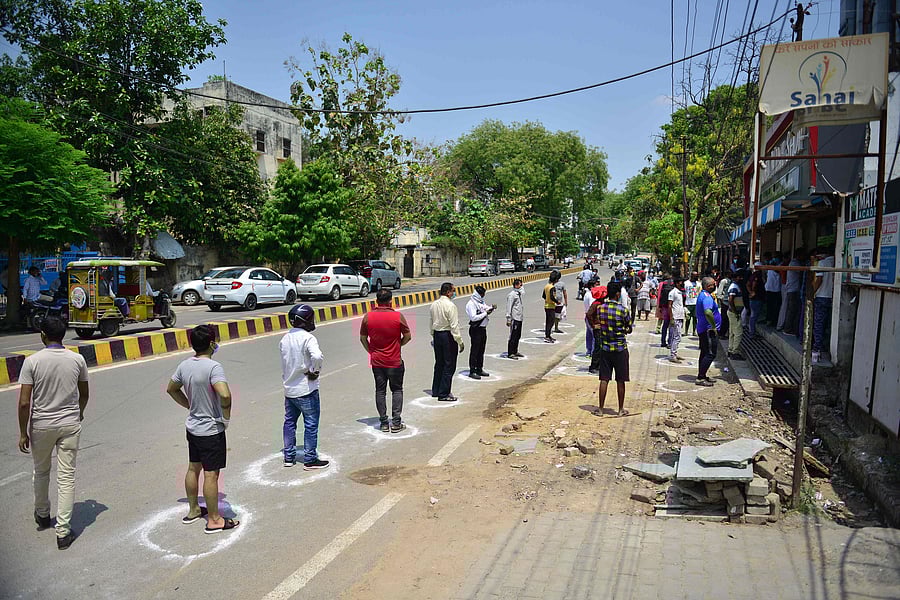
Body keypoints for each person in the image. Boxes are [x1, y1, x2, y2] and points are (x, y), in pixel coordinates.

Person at [17, 316, 89, 550]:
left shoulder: (32, 361)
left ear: (42, 335)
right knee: (66, 477)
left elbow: (25, 403)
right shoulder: (77, 359)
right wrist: (79, 413)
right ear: (64, 335)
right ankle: (63, 532)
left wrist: (22, 432)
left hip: (41, 425)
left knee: (41, 471)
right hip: (69, 423)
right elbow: (84, 394)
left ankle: (42, 513)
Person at [167, 324, 238, 533]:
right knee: (211, 474)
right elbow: (224, 394)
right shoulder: (213, 367)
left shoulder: (185, 365)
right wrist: (226, 417)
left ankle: (193, 509)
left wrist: (189, 404)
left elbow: (171, 389)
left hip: (193, 427)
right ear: (211, 343)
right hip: (210, 429)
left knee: (193, 467)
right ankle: (215, 519)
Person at [279, 305, 329, 470]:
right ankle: (310, 459)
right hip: (306, 389)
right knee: (311, 424)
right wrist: (314, 371)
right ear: (305, 320)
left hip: (289, 390)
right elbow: (317, 356)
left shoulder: (285, 339)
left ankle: (289, 457)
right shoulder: (308, 338)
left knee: (290, 423)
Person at [359, 289, 411, 432]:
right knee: (397, 389)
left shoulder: (368, 317)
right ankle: (396, 422)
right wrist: (398, 344)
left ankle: (383, 422)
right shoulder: (397, 316)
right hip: (394, 361)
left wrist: (371, 351)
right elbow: (408, 336)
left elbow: (363, 339)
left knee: (380, 391)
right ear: (390, 301)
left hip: (377, 361)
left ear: (376, 301)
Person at [588, 281, 633, 416]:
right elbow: (629, 328)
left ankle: (600, 409)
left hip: (605, 348)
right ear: (618, 294)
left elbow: (594, 320)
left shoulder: (600, 308)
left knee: (604, 379)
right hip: (620, 349)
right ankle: (620, 410)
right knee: (621, 380)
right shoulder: (623, 310)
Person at [430, 282, 464, 401]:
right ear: (448, 292)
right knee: (449, 365)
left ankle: (436, 390)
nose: (454, 293)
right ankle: (444, 393)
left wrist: (433, 335)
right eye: (453, 291)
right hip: (447, 336)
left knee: (439, 363)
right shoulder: (450, 306)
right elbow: (454, 326)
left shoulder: (434, 304)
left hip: (437, 335)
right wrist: (459, 341)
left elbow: (431, 322)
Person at [695, 277, 722, 386]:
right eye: (713, 284)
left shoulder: (704, 295)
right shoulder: (706, 297)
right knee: (710, 353)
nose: (714, 286)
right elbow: (707, 312)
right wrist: (713, 326)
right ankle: (701, 378)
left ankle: (702, 375)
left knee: (705, 352)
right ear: (708, 286)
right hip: (708, 330)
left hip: (703, 328)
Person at [465, 284, 495, 379]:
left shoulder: (480, 302)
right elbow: (473, 318)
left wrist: (491, 308)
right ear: (478, 294)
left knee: (481, 350)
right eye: (482, 294)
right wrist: (486, 313)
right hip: (475, 329)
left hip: (482, 329)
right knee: (475, 350)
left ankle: (479, 368)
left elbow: (485, 308)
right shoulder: (471, 304)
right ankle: (472, 370)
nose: (483, 296)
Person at [811, 247, 835, 364]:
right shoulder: (836, 261)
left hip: (821, 296)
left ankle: (816, 351)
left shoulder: (823, 262)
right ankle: (826, 347)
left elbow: (819, 279)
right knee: (829, 324)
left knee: (819, 324)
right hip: (833, 297)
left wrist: (811, 293)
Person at [783, 249, 806, 335]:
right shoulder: (795, 264)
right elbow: (802, 272)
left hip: (793, 289)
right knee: (792, 310)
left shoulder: (794, 263)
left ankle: (790, 328)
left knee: (792, 310)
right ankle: (788, 329)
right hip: (793, 289)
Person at [727, 270, 746, 360]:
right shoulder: (734, 287)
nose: (741, 279)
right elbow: (731, 300)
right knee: (738, 332)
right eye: (740, 277)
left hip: (733, 312)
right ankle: (735, 351)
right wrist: (735, 311)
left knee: (732, 332)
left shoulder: (734, 286)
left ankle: (731, 349)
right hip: (734, 313)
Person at [505, 278, 525, 359]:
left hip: (519, 318)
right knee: (513, 336)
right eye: (520, 285)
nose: (522, 286)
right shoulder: (512, 295)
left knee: (518, 335)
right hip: (514, 318)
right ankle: (510, 353)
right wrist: (508, 319)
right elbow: (509, 307)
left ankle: (515, 351)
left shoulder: (518, 293)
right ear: (516, 285)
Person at [668, 277, 686, 362]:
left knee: (677, 336)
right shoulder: (673, 292)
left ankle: (674, 352)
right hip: (676, 317)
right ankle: (673, 355)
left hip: (680, 316)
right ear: (676, 283)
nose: (682, 284)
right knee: (677, 337)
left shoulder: (680, 292)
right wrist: (671, 318)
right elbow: (669, 305)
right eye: (680, 282)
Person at [747, 262, 767, 338]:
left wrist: (750, 292)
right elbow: (754, 283)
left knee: (753, 316)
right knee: (754, 316)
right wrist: (753, 291)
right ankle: (752, 333)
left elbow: (748, 284)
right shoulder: (758, 275)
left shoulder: (752, 275)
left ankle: (752, 331)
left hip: (754, 298)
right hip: (757, 298)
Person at [542, 270, 562, 343]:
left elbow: (543, 296)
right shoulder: (552, 287)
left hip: (546, 305)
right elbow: (551, 297)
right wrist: (557, 302)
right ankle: (547, 336)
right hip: (551, 306)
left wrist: (547, 299)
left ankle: (548, 335)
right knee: (551, 322)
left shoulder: (547, 286)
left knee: (548, 321)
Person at [764, 252, 783, 326]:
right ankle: (768, 319)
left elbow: (777, 271)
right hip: (769, 288)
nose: (774, 258)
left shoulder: (780, 265)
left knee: (776, 306)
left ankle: (774, 320)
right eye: (773, 257)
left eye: (775, 257)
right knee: (769, 306)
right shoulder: (770, 264)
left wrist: (771, 265)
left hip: (777, 289)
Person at [683, 271, 700, 335]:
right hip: (688, 303)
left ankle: (694, 331)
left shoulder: (698, 284)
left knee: (695, 318)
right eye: (695, 276)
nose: (696, 277)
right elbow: (684, 293)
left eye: (697, 276)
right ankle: (686, 331)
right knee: (688, 318)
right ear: (691, 276)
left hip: (696, 303)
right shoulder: (686, 283)